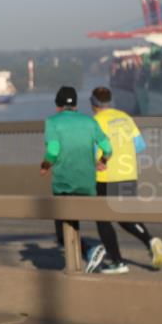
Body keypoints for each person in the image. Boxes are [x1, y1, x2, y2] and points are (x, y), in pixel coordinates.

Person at [89, 86, 162, 272]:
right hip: (129, 174)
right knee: (125, 217)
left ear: (94, 104)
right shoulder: (124, 117)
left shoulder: (95, 122)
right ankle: (150, 240)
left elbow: (90, 153)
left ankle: (117, 262)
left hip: (106, 176)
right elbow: (139, 146)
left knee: (103, 220)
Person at [40, 86, 113, 273]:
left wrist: (45, 165)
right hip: (88, 185)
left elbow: (53, 152)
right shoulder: (89, 121)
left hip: (64, 185)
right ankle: (78, 264)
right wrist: (101, 161)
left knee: (63, 232)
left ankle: (89, 251)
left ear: (57, 105)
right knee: (73, 223)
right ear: (76, 105)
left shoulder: (52, 122)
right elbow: (108, 147)